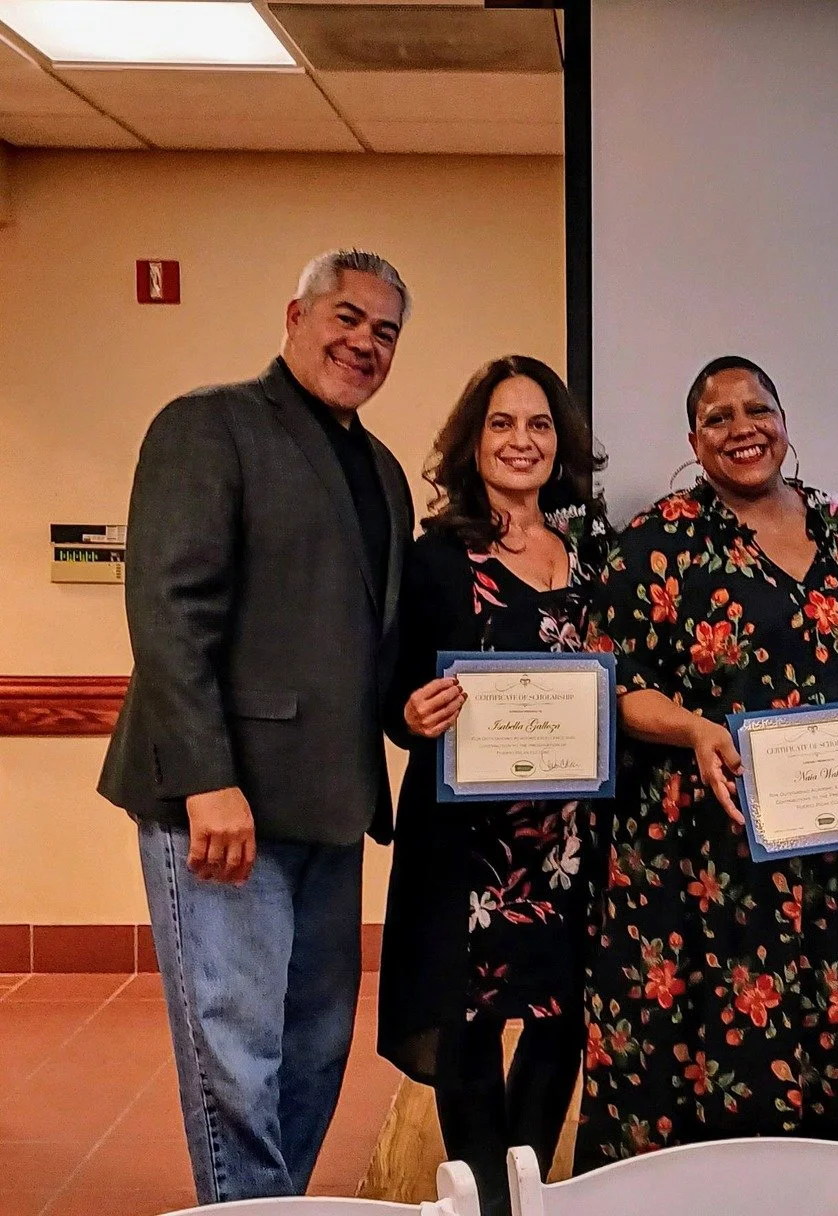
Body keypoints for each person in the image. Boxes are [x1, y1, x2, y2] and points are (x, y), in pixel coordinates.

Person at [98, 249, 414, 1201]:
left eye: (386, 332)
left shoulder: (384, 472)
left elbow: (363, 644)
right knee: (235, 1054)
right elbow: (169, 611)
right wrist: (207, 780)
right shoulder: (210, 425)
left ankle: (275, 1209)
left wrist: (415, 712)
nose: (364, 343)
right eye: (347, 317)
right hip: (223, 809)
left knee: (316, 1045)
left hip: (331, 807)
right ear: (296, 314)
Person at [577, 355, 838, 1166]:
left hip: (827, 852)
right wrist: (694, 728)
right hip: (699, 852)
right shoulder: (656, 541)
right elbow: (612, 687)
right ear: (694, 442)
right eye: (717, 418)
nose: (742, 429)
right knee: (696, 1052)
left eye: (758, 410)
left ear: (785, 422)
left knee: (827, 1036)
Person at [377, 356, 609, 1215]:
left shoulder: (595, 557)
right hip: (466, 851)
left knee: (561, 1022)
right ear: (472, 442)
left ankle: (526, 1188)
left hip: (572, 846)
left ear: (561, 442)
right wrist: (412, 712)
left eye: (539, 424)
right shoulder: (435, 559)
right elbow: (391, 694)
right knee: (466, 1029)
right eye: (502, 423)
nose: (522, 441)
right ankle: (485, 1203)